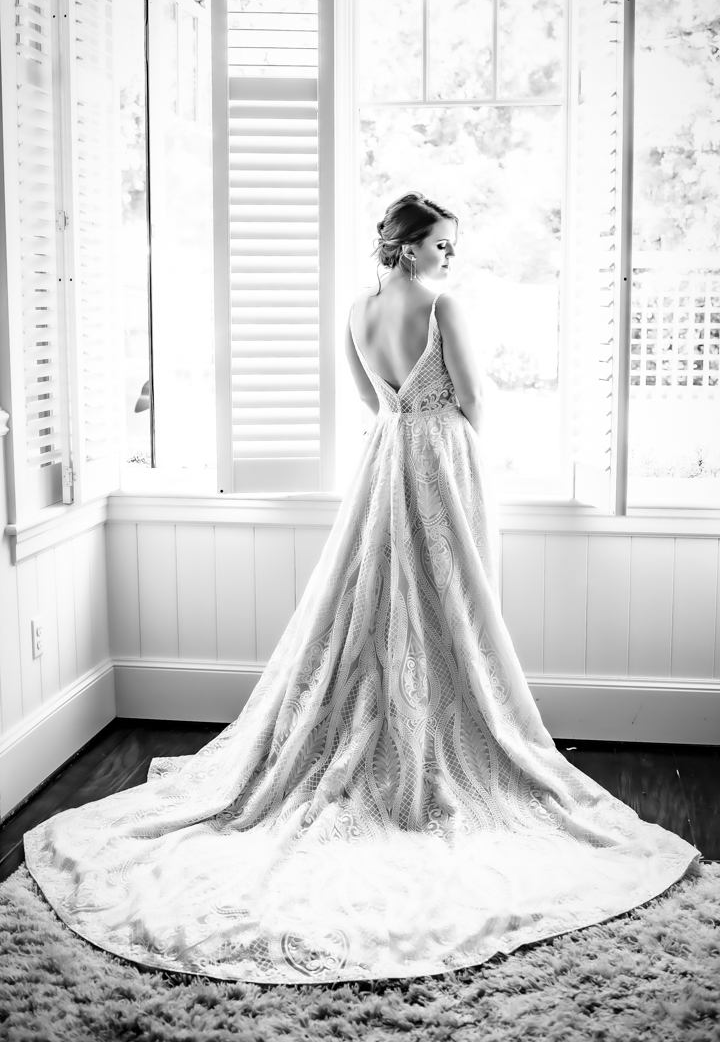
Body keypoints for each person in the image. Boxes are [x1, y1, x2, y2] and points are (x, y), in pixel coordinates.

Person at [25, 192, 699, 985]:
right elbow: (476, 400)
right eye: (442, 243)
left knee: (377, 601)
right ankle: (423, 737)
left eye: (453, 244)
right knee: (449, 603)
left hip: (384, 460)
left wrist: (403, 416)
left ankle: (385, 723)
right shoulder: (443, 305)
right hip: (442, 460)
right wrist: (446, 433)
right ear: (408, 248)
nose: (453, 254)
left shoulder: (356, 310)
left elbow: (368, 401)